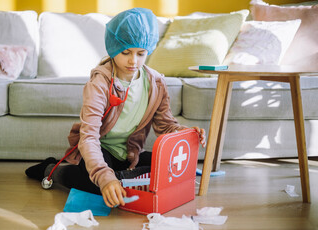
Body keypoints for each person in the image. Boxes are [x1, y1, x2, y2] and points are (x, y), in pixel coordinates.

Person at [25, 8, 206, 208]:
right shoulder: (99, 83)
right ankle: (52, 169)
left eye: (141, 53)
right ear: (113, 47)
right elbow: (89, 137)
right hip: (101, 150)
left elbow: (166, 126)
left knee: (169, 169)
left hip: (130, 154)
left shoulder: (156, 83)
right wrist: (105, 178)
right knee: (98, 186)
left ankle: (120, 177)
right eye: (126, 52)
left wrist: (184, 133)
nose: (133, 61)